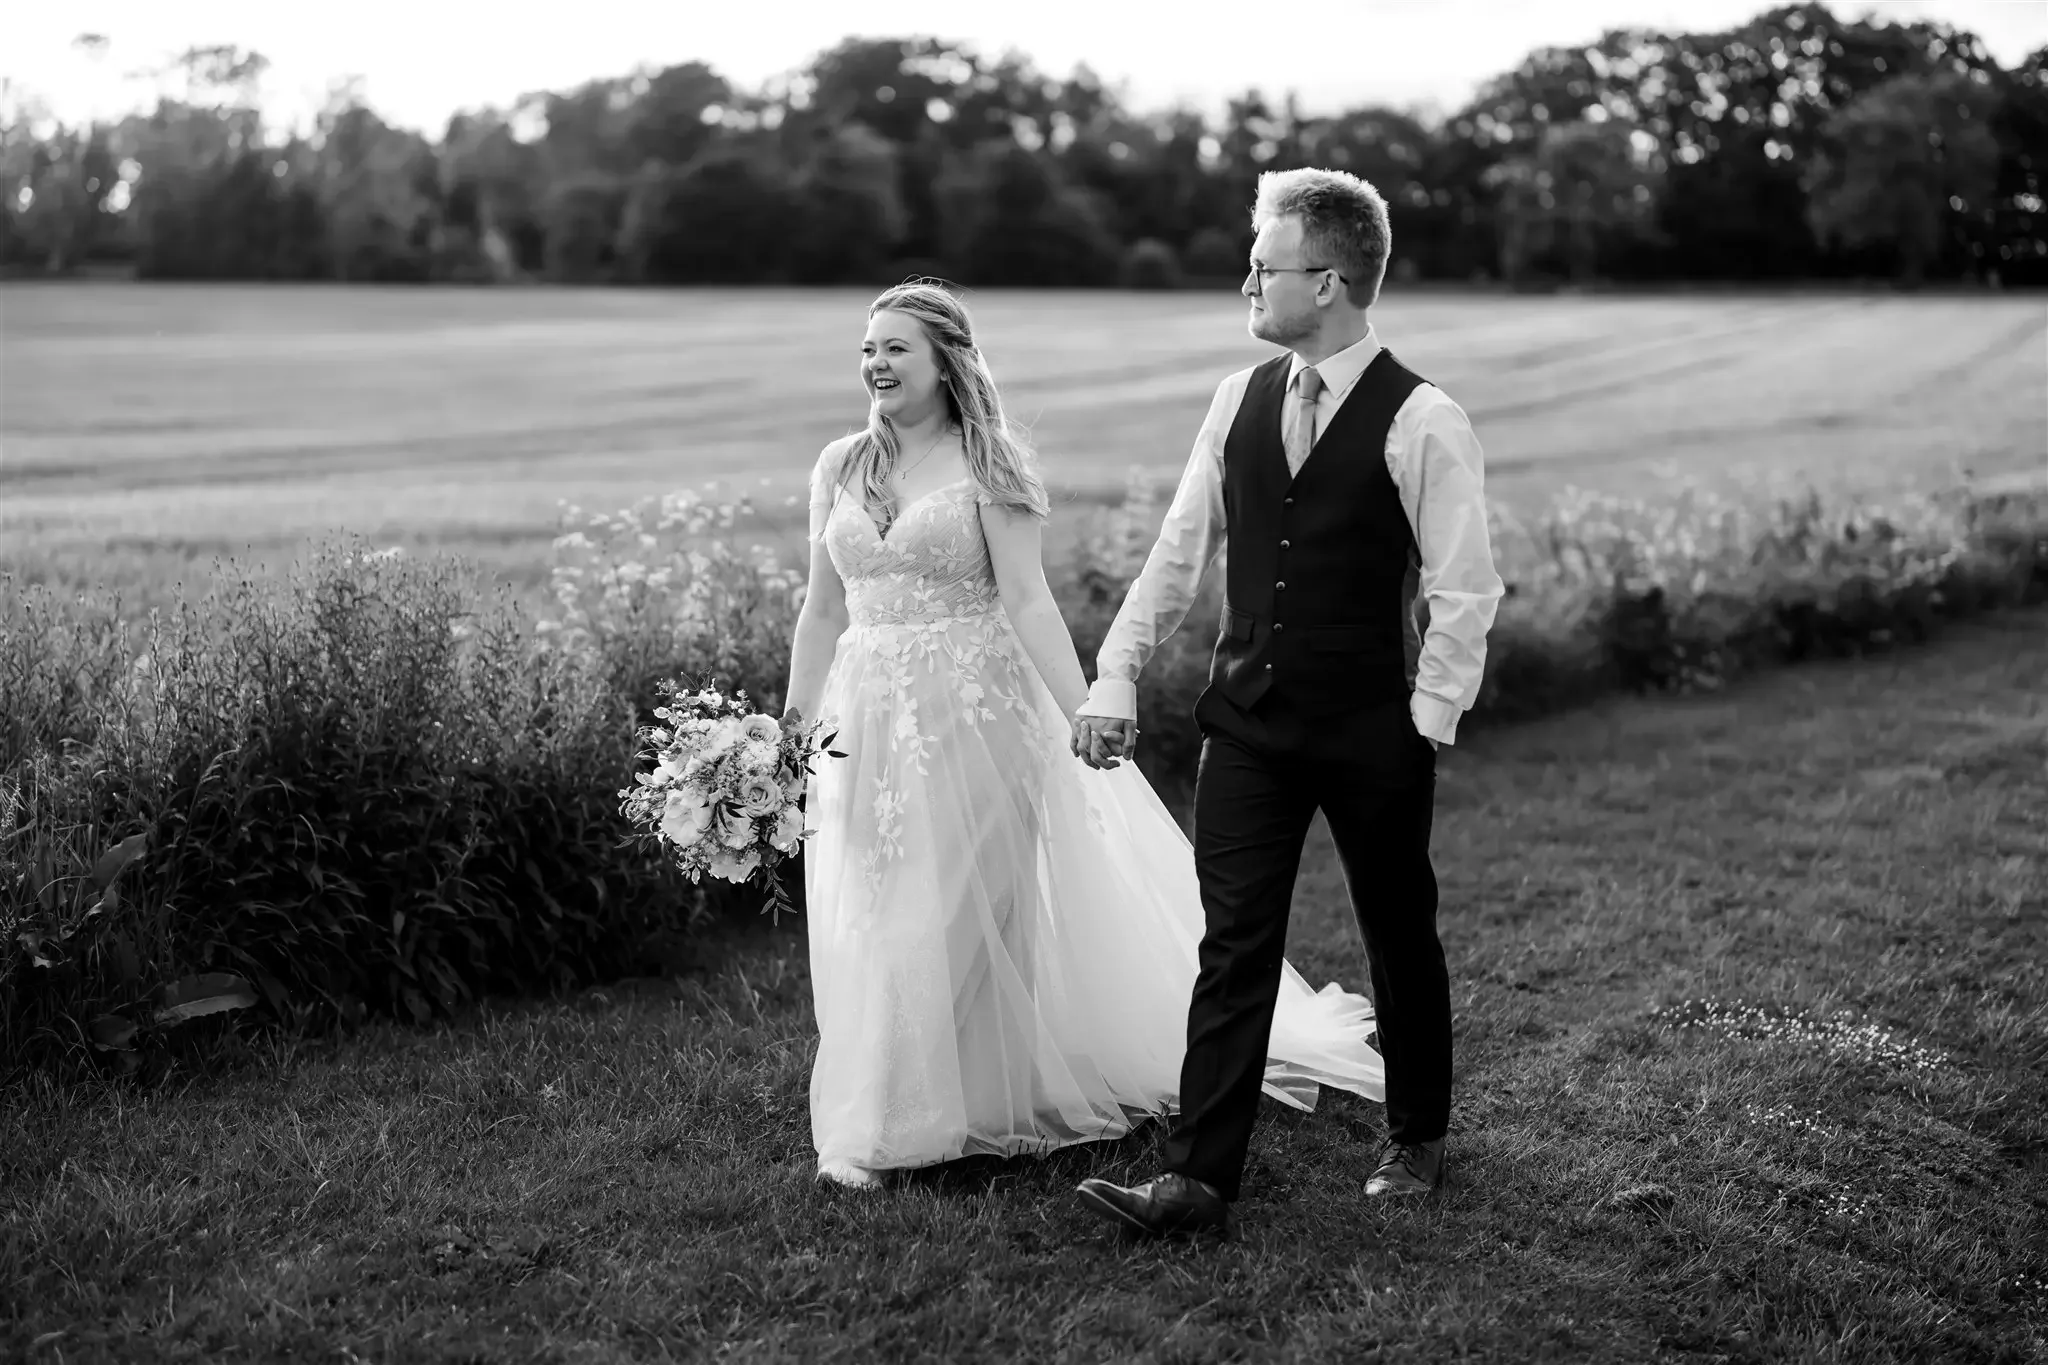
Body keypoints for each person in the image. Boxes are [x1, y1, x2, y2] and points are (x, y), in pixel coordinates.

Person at [780, 281, 1384, 1192]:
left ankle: (905, 1117)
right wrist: (790, 727)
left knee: (957, 909)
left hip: (977, 715)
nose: (876, 363)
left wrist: (1086, 708)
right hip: (862, 720)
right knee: (875, 908)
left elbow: (1027, 600)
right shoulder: (838, 466)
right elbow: (821, 608)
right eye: (868, 347)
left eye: (896, 347)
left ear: (948, 361)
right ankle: (900, 1098)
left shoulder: (990, 466)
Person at [1071, 168, 1504, 1237]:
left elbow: (1463, 588)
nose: (1246, 284)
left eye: (1264, 266)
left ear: (1333, 282)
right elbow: (1177, 558)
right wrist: (1115, 671)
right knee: (1234, 943)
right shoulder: (1237, 398)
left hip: (1371, 727)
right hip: (1249, 722)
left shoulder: (1422, 418)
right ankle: (1194, 1180)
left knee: (1396, 930)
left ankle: (1416, 1136)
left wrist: (1427, 719)